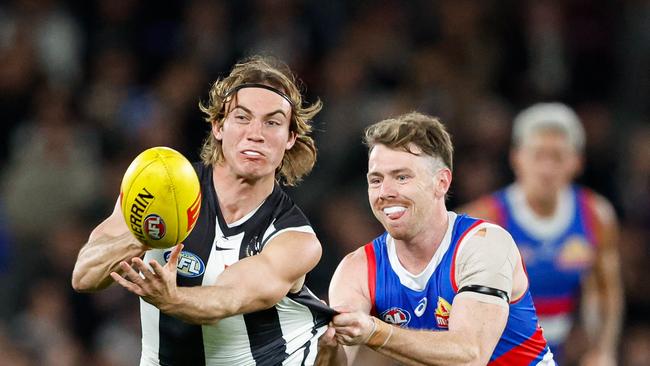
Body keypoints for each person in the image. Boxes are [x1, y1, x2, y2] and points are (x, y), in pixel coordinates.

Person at [72, 56, 334, 366]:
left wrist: (172, 299)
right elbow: (84, 276)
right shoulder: (161, 186)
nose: (256, 133)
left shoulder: (296, 239)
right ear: (218, 126)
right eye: (242, 117)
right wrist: (144, 235)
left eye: (273, 122)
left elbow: (228, 298)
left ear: (290, 138)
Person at [316, 112, 555, 366]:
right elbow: (339, 361)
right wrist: (326, 345)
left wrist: (376, 331)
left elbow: (470, 356)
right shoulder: (357, 270)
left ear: (441, 182)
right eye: (376, 180)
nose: (385, 192)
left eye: (401, 177)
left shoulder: (484, 244)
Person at [460, 102, 623, 365]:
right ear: (517, 158)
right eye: (538, 155)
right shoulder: (485, 219)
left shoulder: (596, 215)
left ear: (577, 162)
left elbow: (605, 291)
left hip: (556, 349)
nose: (547, 169)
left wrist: (602, 350)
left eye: (557, 156)